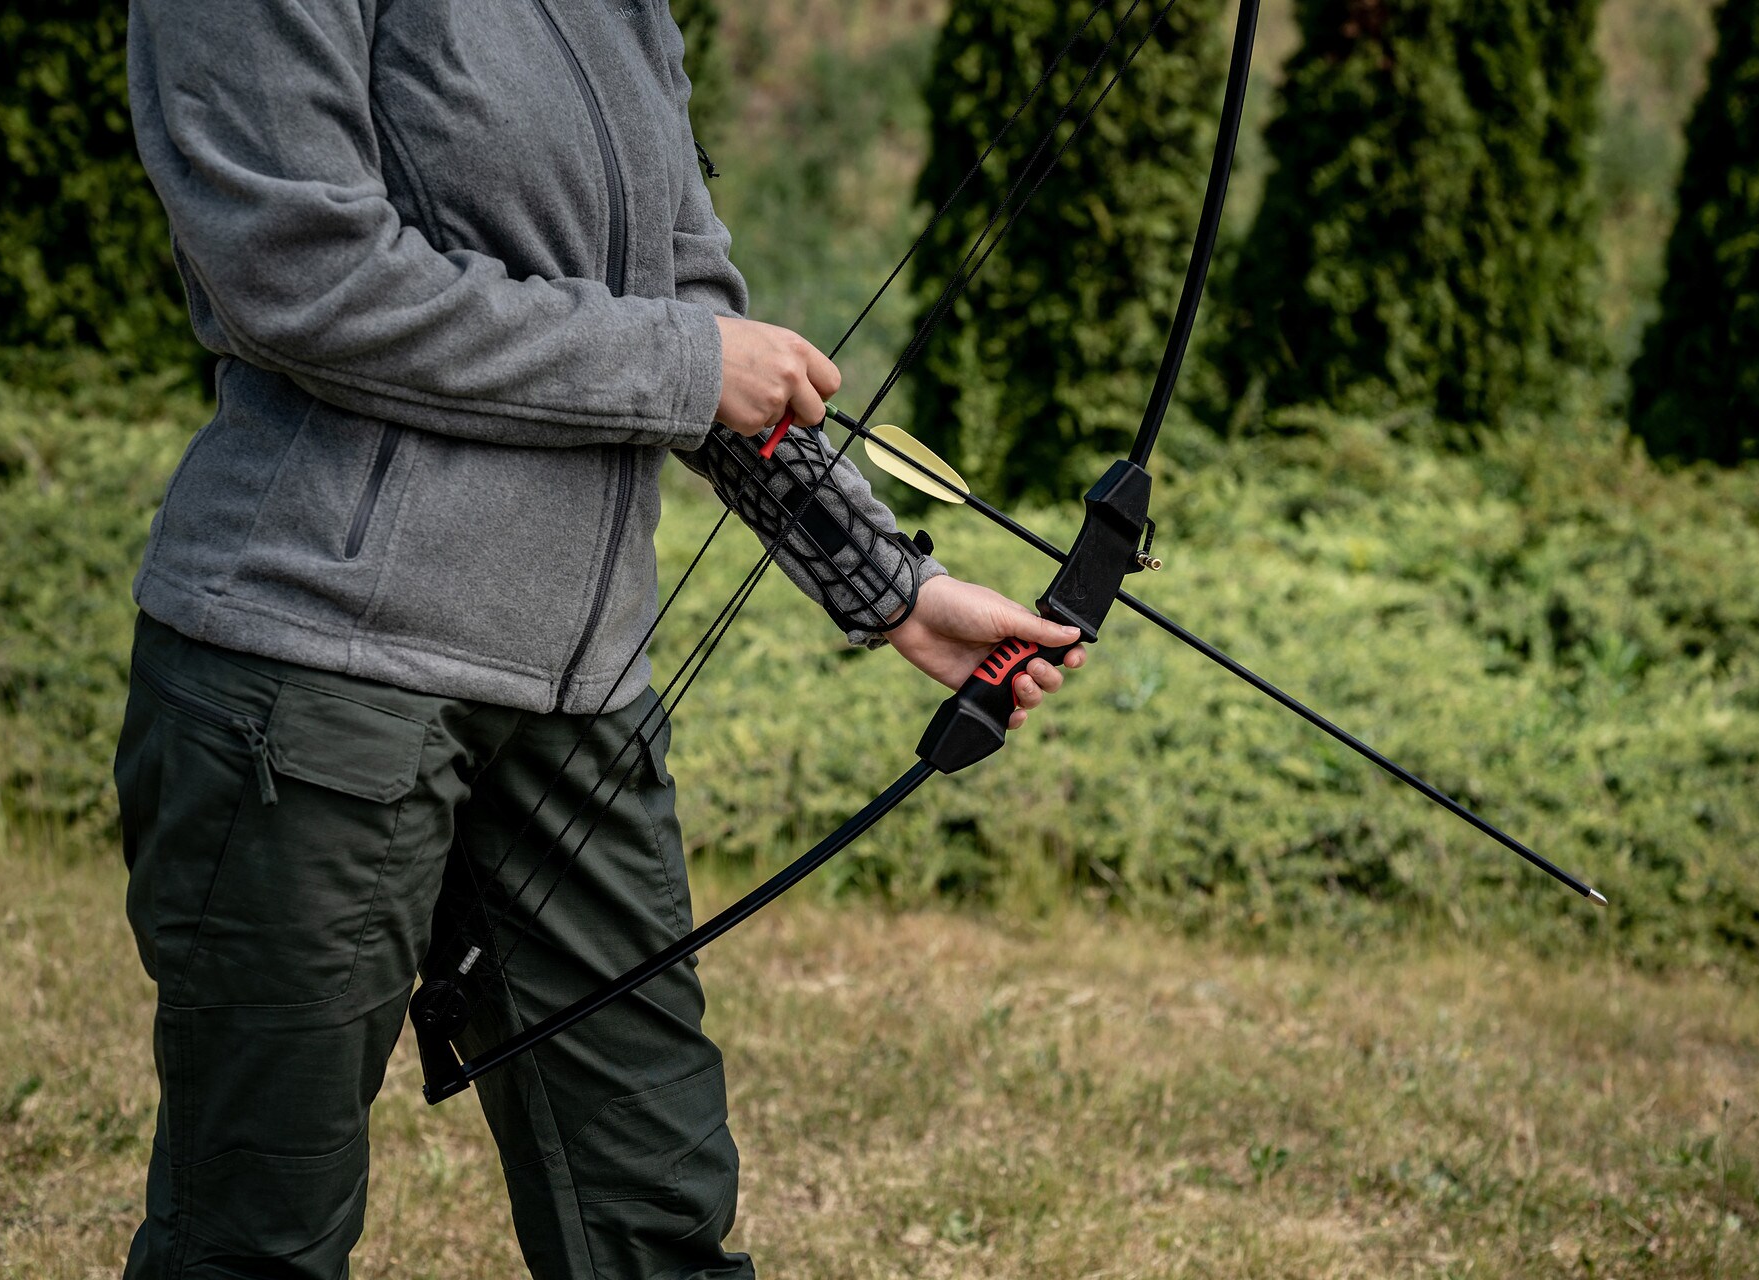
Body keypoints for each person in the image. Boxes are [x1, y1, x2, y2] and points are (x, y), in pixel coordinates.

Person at [116, 2, 1084, 1276]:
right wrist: (680, 361)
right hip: (313, 680)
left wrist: (892, 584)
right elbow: (298, 273)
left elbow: (690, 312)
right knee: (252, 1238)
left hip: (580, 702)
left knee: (655, 1221)